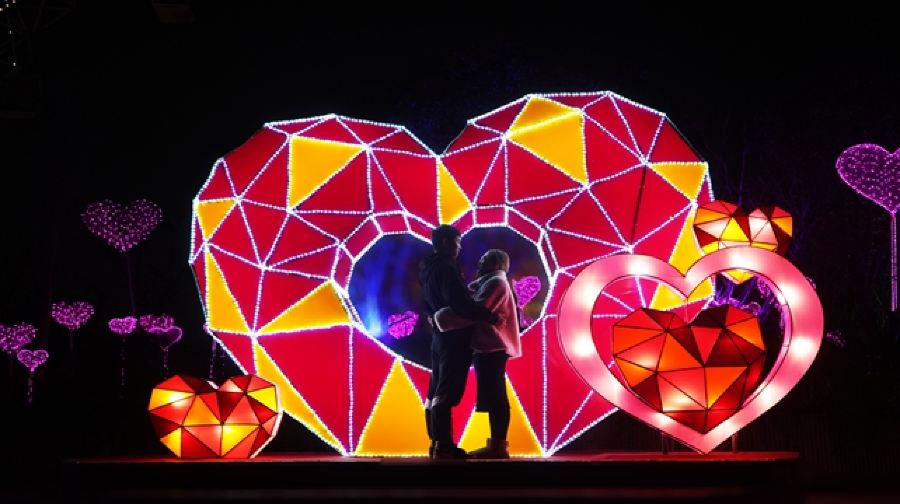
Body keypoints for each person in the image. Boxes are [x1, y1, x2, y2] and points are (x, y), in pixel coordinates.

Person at [419, 225, 499, 459]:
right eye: (457, 241)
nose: (459, 247)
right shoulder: (446, 268)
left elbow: (430, 303)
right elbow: (460, 304)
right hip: (454, 338)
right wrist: (489, 316)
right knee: (447, 390)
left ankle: (436, 442)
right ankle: (445, 445)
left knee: (435, 390)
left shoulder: (428, 269)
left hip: (439, 337)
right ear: (446, 242)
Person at [434, 249, 521, 459]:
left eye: (487, 258)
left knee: (496, 394)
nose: (481, 260)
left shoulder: (496, 283)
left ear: (498, 264)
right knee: (493, 393)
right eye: (482, 257)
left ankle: (498, 445)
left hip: (493, 346)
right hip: (488, 346)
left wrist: (440, 317)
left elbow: (475, 310)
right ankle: (496, 444)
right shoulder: (489, 283)